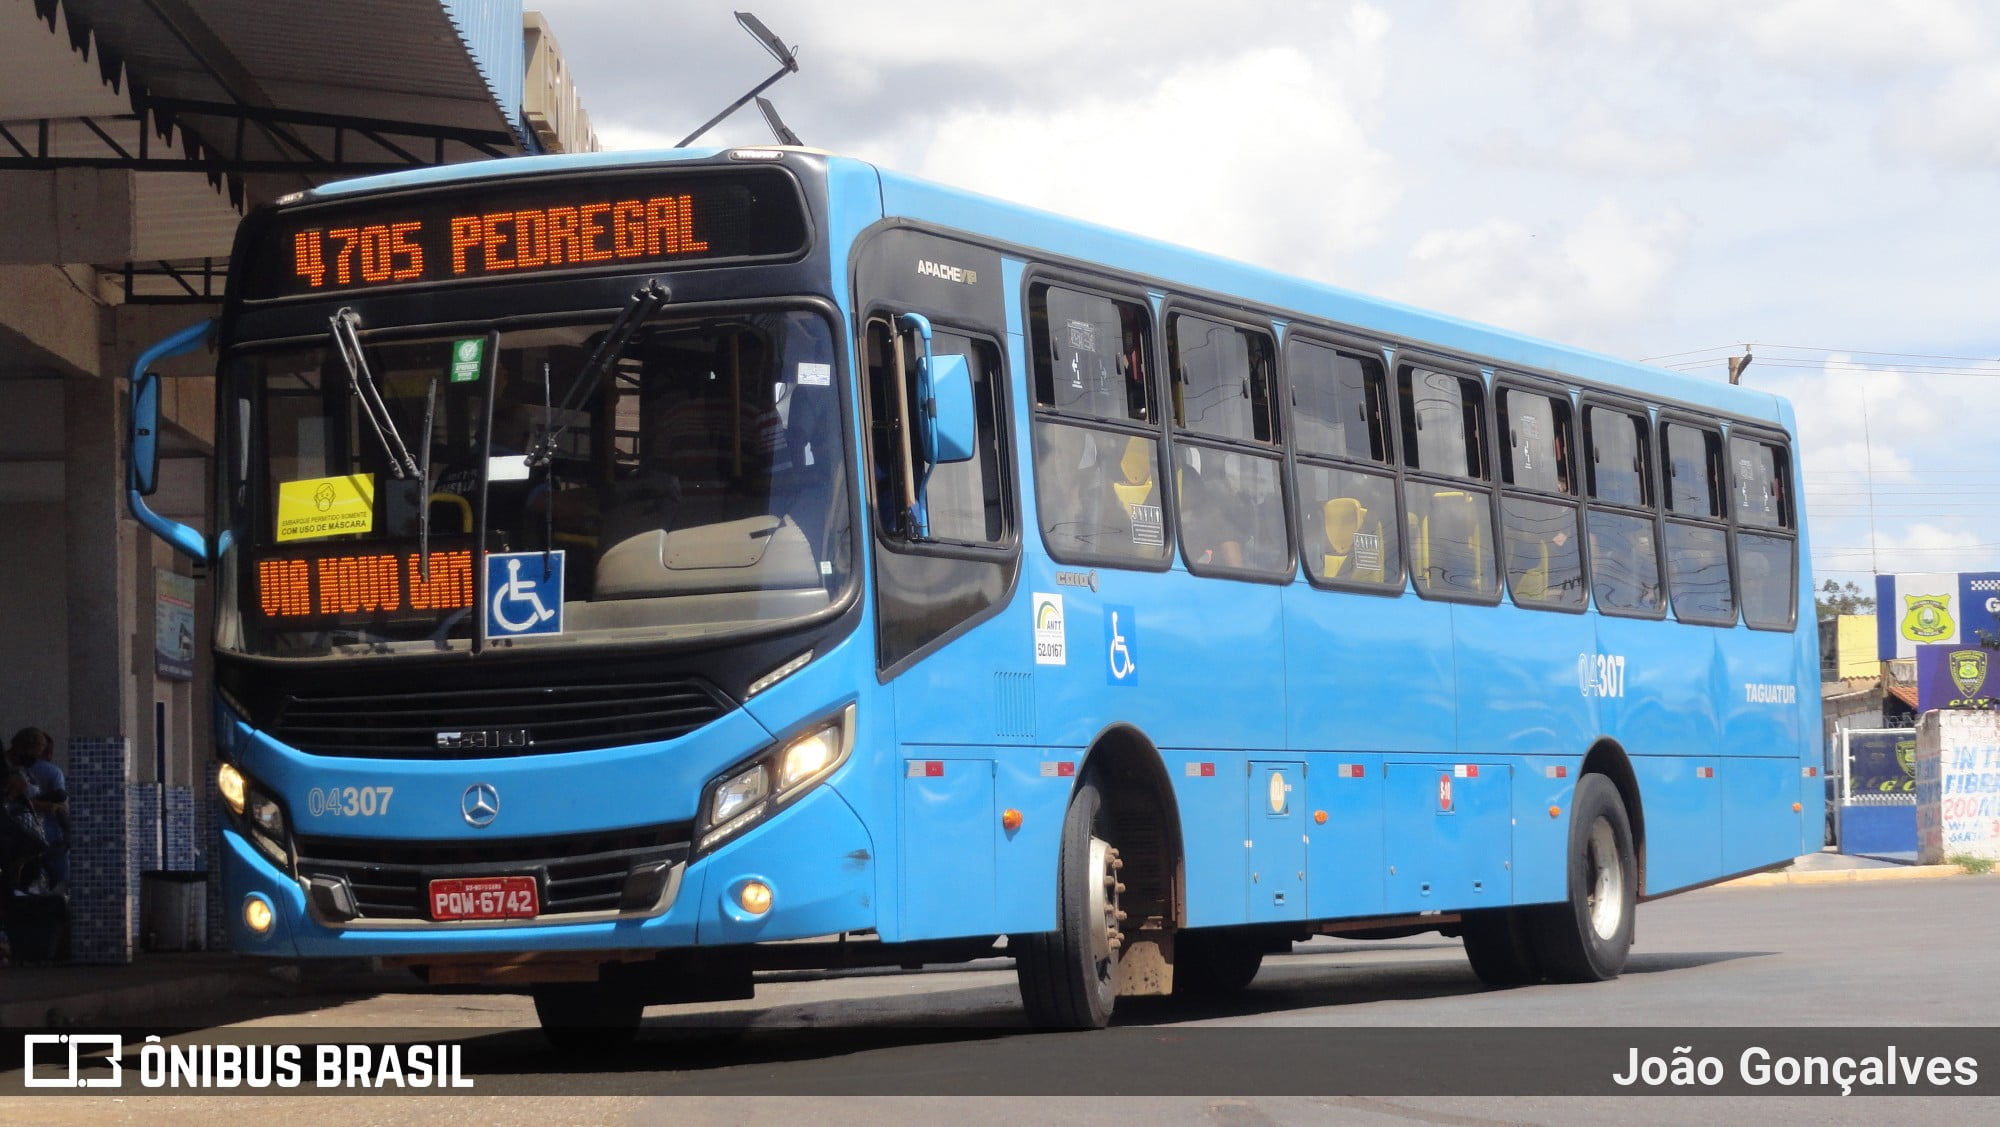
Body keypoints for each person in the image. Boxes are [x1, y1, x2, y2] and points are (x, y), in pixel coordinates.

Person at [8, 728, 65, 892]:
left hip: (30, 838)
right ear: (22, 746)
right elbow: (13, 799)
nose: (35, 759)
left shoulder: (22, 770)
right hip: (14, 834)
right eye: (34, 753)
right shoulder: (7, 769)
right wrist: (44, 805)